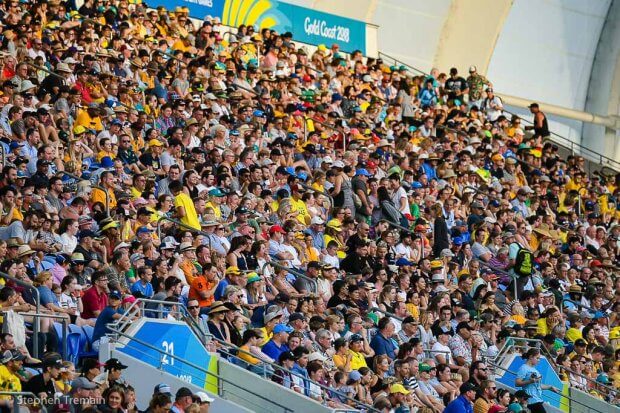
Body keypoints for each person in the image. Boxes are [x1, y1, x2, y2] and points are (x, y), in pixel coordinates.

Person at [515, 348, 560, 413]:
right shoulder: (523, 368)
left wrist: (550, 387)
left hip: (537, 399)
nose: (539, 360)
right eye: (537, 358)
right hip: (530, 400)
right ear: (531, 357)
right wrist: (530, 381)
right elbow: (517, 383)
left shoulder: (534, 369)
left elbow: (537, 385)